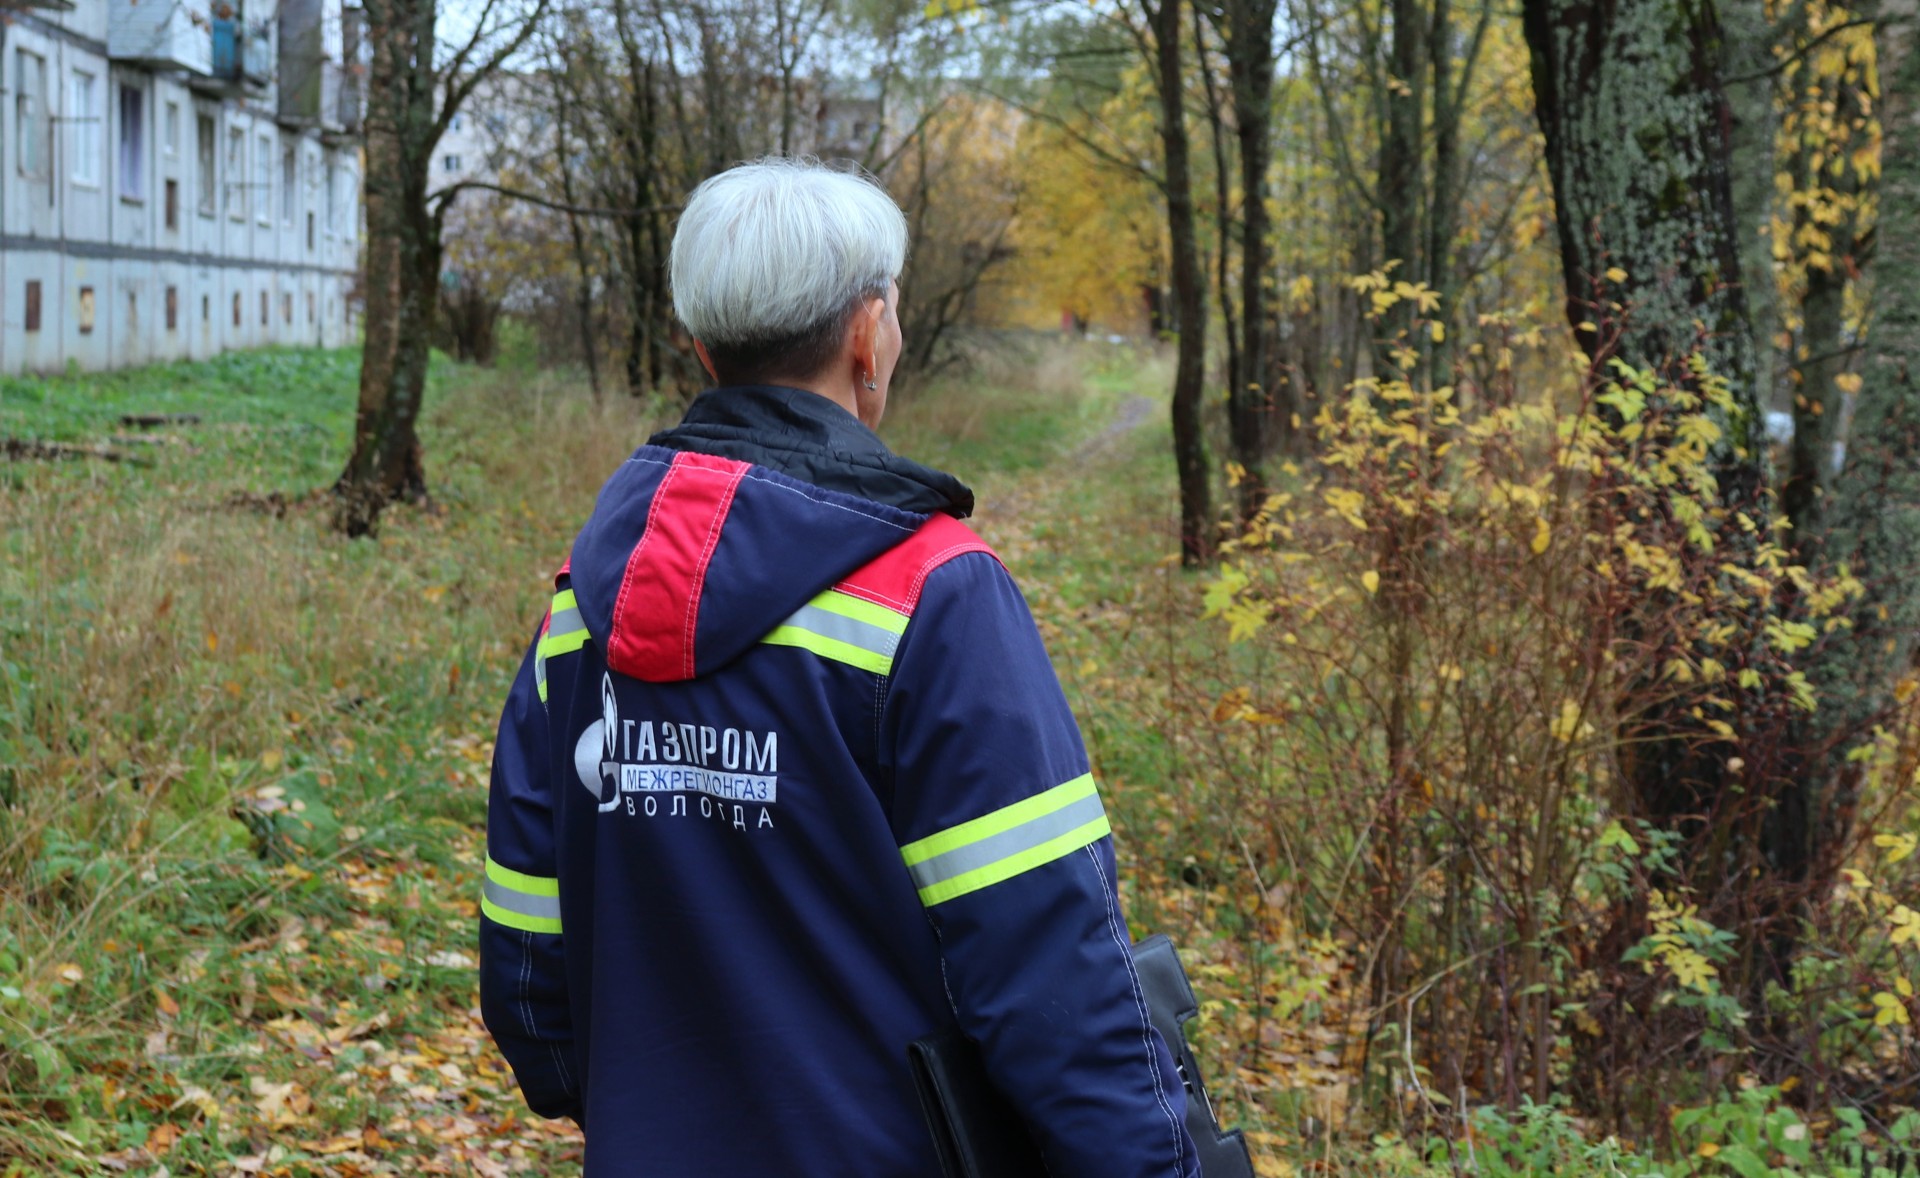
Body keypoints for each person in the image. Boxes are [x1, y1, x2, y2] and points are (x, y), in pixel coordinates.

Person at [478, 157, 1199, 1177]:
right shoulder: (932, 594)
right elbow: (1053, 972)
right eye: (891, 310)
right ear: (869, 334)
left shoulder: (578, 611)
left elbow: (528, 960)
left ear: (703, 347)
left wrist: (626, 1102)